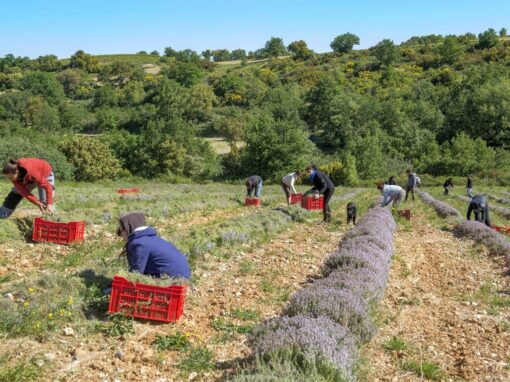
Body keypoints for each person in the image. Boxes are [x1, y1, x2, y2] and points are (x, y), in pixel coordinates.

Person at [118, 212, 191, 279]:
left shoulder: (140, 243)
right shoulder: (150, 239)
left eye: (121, 230)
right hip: (181, 276)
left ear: (128, 228)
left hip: (173, 280)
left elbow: (136, 272)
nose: (121, 235)